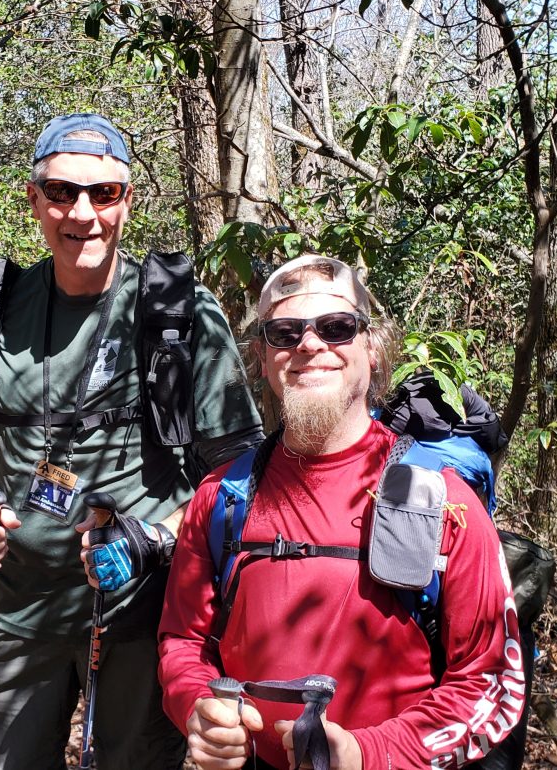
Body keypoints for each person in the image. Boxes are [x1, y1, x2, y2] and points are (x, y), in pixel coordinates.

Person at [0, 113, 264, 770]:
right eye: (61, 191)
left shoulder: (177, 314)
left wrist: (154, 538)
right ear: (33, 199)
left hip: (142, 612)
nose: (82, 213)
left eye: (103, 194)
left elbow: (241, 471)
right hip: (18, 606)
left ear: (127, 201)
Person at [159, 254, 525, 770]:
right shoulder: (222, 495)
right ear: (262, 357)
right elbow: (182, 641)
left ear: (372, 348)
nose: (310, 345)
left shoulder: (446, 502)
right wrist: (198, 708)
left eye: (337, 327)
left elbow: (491, 683)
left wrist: (367, 753)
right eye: (285, 332)